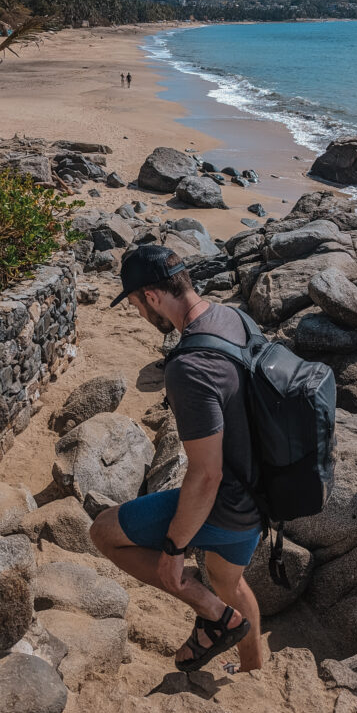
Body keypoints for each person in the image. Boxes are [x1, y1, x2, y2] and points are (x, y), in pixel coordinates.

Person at [90, 245, 263, 674]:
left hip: (226, 501)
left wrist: (173, 551)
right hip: (262, 491)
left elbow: (206, 475)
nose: (139, 315)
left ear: (151, 297)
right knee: (230, 580)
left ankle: (216, 616)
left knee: (104, 532)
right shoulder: (234, 317)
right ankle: (253, 671)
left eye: (134, 304)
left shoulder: (188, 366)